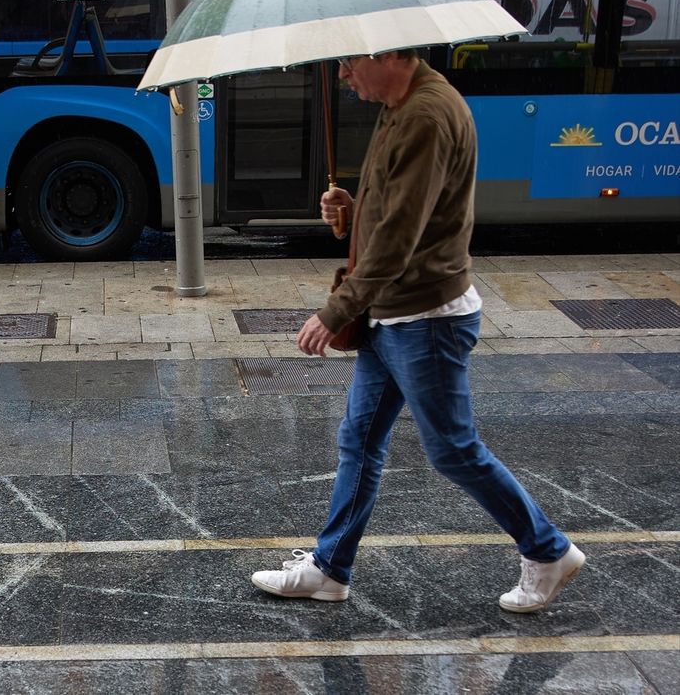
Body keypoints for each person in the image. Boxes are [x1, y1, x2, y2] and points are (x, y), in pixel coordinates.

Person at [250, 50, 584, 613]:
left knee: (453, 449)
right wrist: (351, 213)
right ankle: (330, 569)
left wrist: (335, 311)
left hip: (425, 319)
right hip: (395, 313)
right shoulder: (401, 106)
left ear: (387, 54)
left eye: (350, 62)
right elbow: (406, 212)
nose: (342, 75)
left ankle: (548, 550)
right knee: (359, 439)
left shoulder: (427, 116)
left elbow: (400, 241)